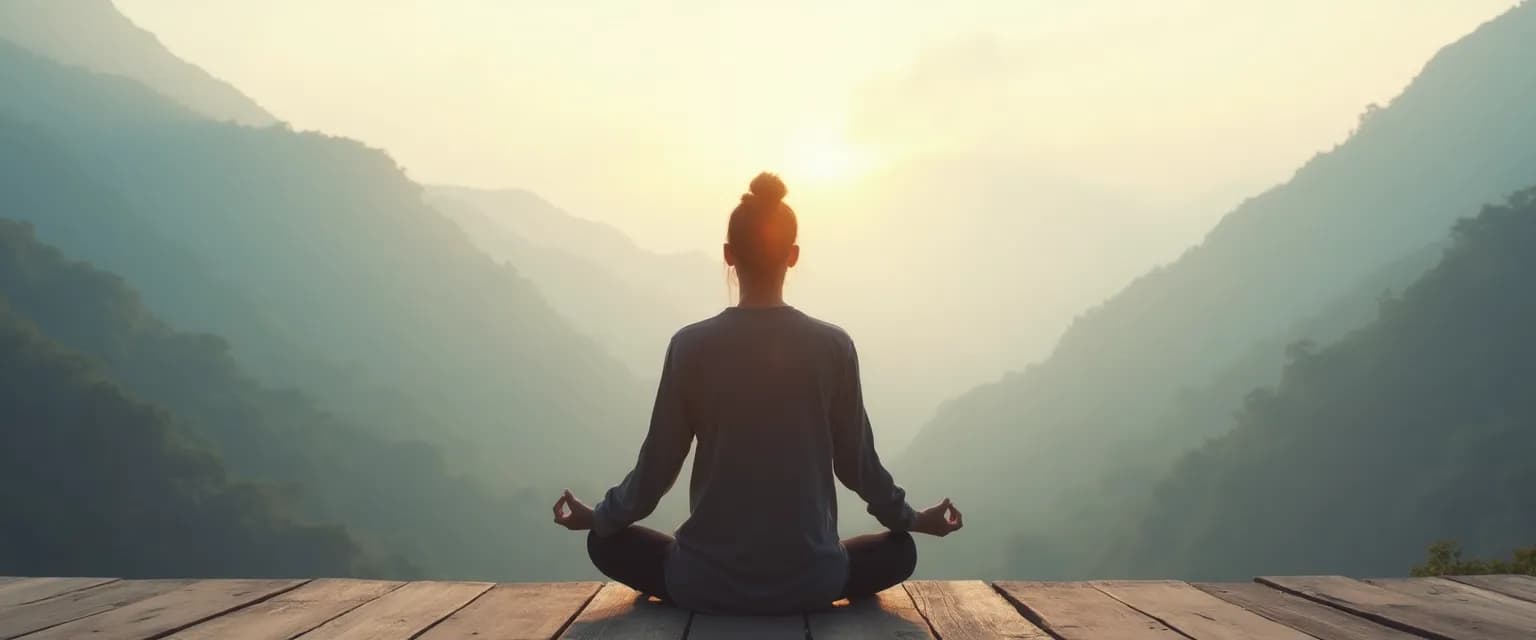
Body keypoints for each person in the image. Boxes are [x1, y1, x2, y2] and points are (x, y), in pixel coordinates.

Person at [551, 172, 962, 614]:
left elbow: (657, 468)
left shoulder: (690, 346)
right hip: (813, 582)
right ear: (794, 256)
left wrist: (600, 517)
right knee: (901, 551)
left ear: (729, 255)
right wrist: (913, 519)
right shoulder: (833, 346)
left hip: (702, 582)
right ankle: (812, 563)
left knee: (604, 543)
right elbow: (856, 464)